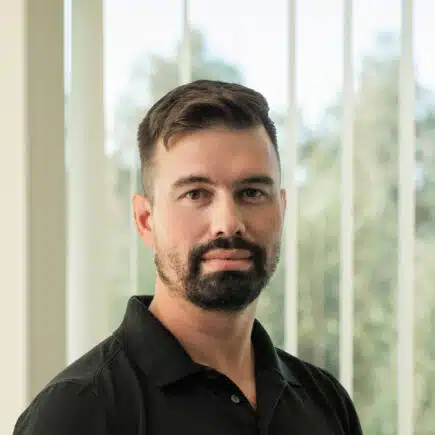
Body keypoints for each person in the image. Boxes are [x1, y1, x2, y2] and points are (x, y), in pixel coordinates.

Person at [14, 80, 363, 434]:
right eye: (196, 194)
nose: (228, 223)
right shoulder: (75, 413)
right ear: (145, 220)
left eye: (251, 193)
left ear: (282, 209)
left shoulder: (327, 403)